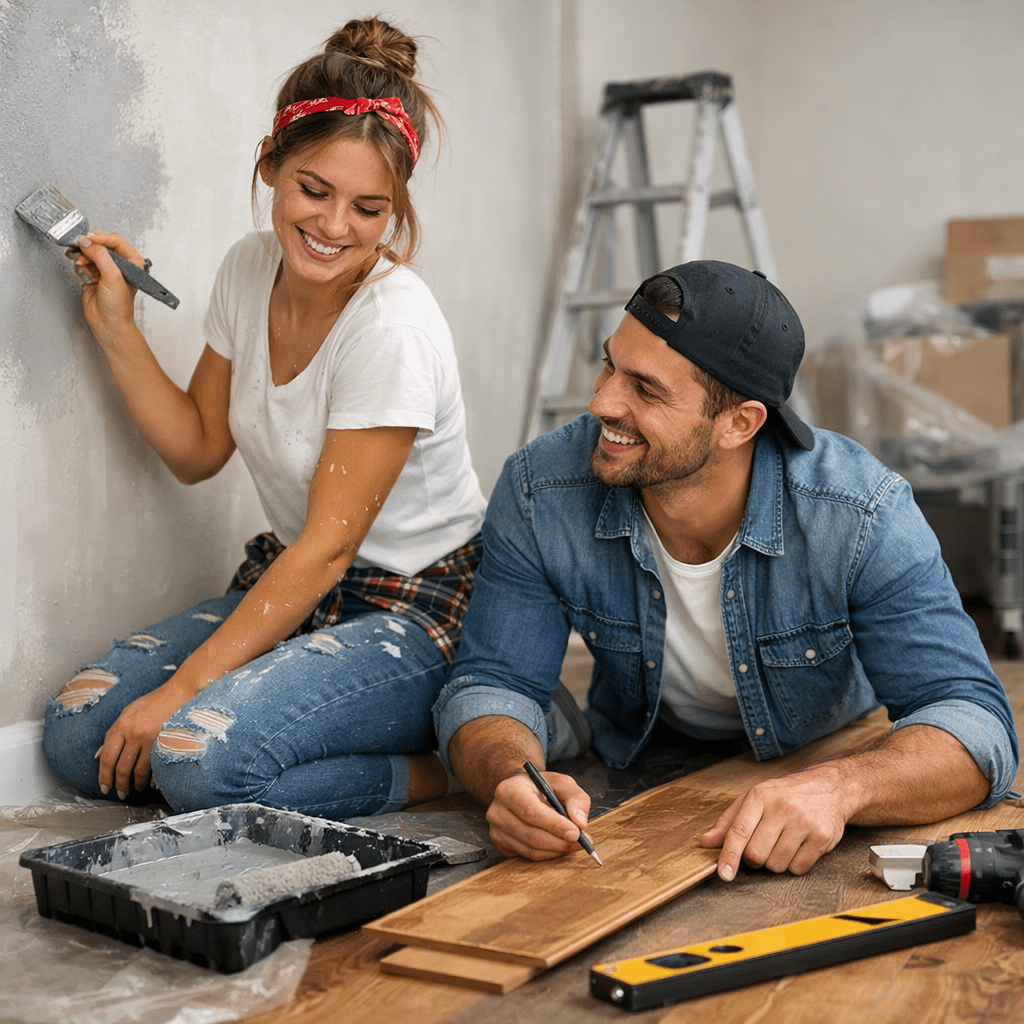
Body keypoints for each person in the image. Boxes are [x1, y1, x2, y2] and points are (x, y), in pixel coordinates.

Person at [433, 260, 1019, 880]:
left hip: (811, 756)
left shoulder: (860, 513)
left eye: (646, 389)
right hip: (638, 750)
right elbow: (494, 682)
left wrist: (841, 788)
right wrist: (510, 780)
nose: (601, 400)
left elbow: (974, 722)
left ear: (740, 423)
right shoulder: (541, 488)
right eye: (609, 365)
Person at [43, 17, 487, 821]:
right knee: (82, 737)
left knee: (197, 763)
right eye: (314, 191)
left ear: (395, 208)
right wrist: (116, 326)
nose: (334, 227)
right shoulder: (248, 268)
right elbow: (198, 448)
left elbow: (328, 548)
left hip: (415, 612)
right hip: (297, 586)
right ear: (270, 166)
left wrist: (180, 692)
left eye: (368, 208)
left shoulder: (392, 327)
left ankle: (447, 766)